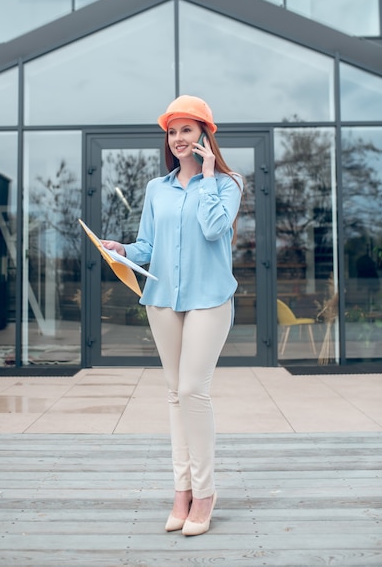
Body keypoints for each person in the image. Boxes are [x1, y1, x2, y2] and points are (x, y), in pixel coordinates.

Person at [102, 95, 243, 536]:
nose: (178, 138)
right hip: (163, 300)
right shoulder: (154, 189)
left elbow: (215, 229)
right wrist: (124, 250)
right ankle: (181, 491)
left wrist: (204, 177)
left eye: (186, 129)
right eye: (172, 131)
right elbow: (149, 245)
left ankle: (204, 493)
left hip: (209, 300)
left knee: (192, 391)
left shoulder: (227, 182)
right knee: (173, 394)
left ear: (205, 134)